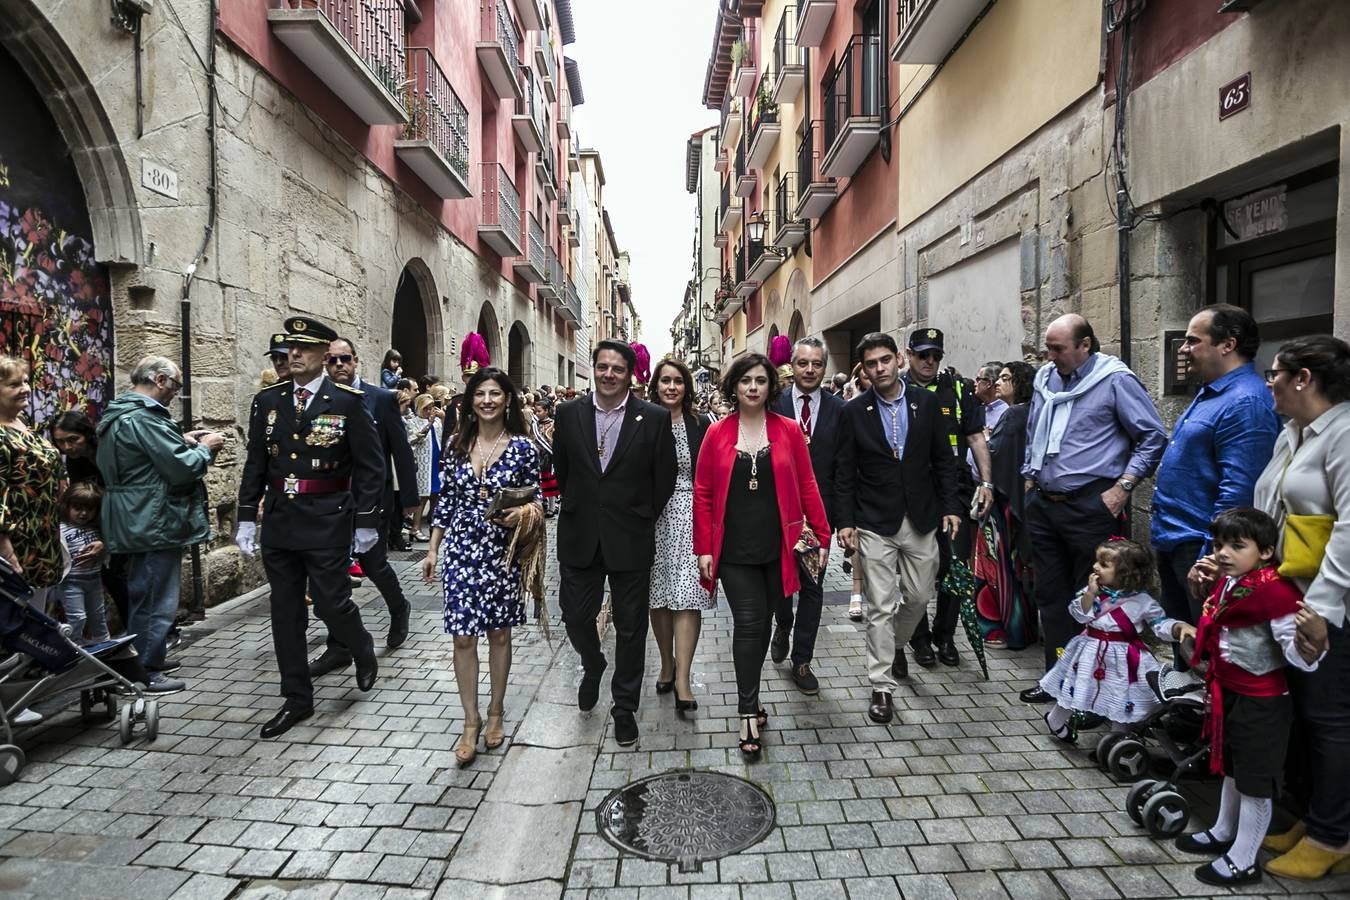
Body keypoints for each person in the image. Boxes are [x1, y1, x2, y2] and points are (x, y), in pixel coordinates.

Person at [235, 316, 384, 739]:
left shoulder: (348, 403)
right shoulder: (268, 401)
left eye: (304, 349)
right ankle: (297, 699)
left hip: (327, 517)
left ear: (323, 354)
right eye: (289, 350)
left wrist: (367, 522)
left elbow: (371, 468)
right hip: (281, 520)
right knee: (285, 614)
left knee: (332, 603)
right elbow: (256, 463)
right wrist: (247, 514)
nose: (294, 356)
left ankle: (361, 646)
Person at [1241, 336, 1350, 881]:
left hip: (1328, 610)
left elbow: (1348, 531)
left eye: (1275, 374)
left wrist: (1323, 612)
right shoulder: (1294, 433)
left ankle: (1335, 835)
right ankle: (1312, 817)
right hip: (1290, 599)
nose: (1269, 383)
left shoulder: (1346, 433)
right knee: (1306, 717)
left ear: (1303, 378)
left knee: (1331, 721)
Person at [1020, 314, 1167, 702]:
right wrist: (1028, 477)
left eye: (1058, 349)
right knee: (1050, 595)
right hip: (1045, 504)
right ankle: (1056, 677)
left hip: (1090, 505)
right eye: (1047, 349)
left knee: (1093, 596)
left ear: (1085, 345)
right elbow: (1034, 428)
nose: (1050, 357)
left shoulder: (1115, 379)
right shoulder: (1046, 380)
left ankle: (1090, 689)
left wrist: (1124, 486)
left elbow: (1152, 436)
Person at [1173, 508, 1323, 887]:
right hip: (1231, 692)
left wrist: (1316, 641)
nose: (1223, 552)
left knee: (1256, 780)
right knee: (1233, 767)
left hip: (1263, 702)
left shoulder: (1275, 594)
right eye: (1220, 544)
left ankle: (1245, 859)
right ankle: (1224, 831)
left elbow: (1298, 655)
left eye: (1237, 546)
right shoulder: (1230, 583)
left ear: (1267, 552)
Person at [694, 353, 829, 758]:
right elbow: (702, 494)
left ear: (771, 387)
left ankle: (757, 688)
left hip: (780, 549)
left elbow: (807, 484)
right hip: (734, 551)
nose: (753, 387)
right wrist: (703, 547)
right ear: (733, 387)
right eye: (745, 381)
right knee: (750, 625)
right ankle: (747, 710)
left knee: (771, 617)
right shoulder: (717, 433)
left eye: (760, 381)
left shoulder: (788, 430)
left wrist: (821, 536)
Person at [553, 339, 676, 749]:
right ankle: (593, 663)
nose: (608, 374)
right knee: (574, 616)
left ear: (631, 374)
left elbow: (665, 477)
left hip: (630, 538)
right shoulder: (568, 413)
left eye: (617, 369)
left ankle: (624, 708)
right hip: (579, 535)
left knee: (630, 628)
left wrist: (641, 514)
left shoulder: (654, 418)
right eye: (602, 367)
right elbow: (564, 470)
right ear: (594, 369)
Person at [835, 333, 961, 725]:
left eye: (885, 360)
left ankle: (893, 646)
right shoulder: (854, 412)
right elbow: (844, 474)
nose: (880, 368)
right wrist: (845, 522)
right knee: (879, 606)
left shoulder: (927, 403)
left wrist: (952, 507)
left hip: (921, 518)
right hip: (874, 520)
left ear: (898, 361)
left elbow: (944, 461)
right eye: (871, 364)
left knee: (921, 595)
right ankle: (881, 687)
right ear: (865, 369)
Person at [420, 367, 541, 766]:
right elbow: (446, 503)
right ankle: (470, 720)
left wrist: (521, 513)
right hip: (462, 551)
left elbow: (539, 502)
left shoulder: (523, 448)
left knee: (499, 635)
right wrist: (433, 550)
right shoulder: (456, 444)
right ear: (470, 400)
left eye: (495, 393)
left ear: (507, 400)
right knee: (462, 638)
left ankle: (496, 711)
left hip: (502, 550)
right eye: (480, 394)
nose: (487, 400)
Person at [1151, 305, 1279, 660]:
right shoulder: (1211, 392)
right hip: (1176, 541)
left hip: (1200, 547)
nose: (1183, 348)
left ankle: (1204, 716)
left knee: (1208, 656)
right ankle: (1185, 712)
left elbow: (1239, 490)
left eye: (1193, 340)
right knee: (1185, 645)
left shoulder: (1247, 401)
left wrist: (1213, 556)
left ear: (1228, 344)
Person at [97, 355, 223, 694]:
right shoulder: (145, 417)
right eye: (176, 385)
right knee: (155, 597)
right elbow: (179, 469)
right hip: (152, 517)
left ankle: (147, 656)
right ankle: (144, 671)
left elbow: (143, 460)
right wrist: (206, 450)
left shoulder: (122, 413)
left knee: (144, 592)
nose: (175, 393)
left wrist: (179, 439)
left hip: (134, 515)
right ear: (160, 379)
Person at [308, 338, 419, 685]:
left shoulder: (381, 399)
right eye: (332, 361)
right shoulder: (321, 400)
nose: (339, 365)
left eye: (345, 359)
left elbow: (400, 451)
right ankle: (338, 644)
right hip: (331, 501)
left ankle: (399, 607)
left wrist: (409, 500)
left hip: (372, 500)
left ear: (356, 361)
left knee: (373, 565)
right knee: (331, 573)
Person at [903, 328, 993, 669]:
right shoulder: (897, 389)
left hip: (953, 492)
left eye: (935, 355)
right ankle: (919, 638)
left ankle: (945, 635)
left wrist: (987, 484)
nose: (929, 361)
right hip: (913, 494)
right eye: (923, 354)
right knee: (918, 572)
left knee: (956, 568)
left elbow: (975, 437)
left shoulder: (957, 389)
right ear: (909, 354)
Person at [1038, 538, 1180, 744]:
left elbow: (1160, 625)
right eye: (1096, 561)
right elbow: (1080, 614)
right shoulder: (1094, 593)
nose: (1095, 567)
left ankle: (1117, 740)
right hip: (1088, 650)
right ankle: (1056, 719)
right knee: (1075, 685)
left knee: (1121, 693)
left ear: (1126, 573)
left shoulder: (1143, 601)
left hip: (1123, 656)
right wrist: (1090, 594)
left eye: (1103, 564)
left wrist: (1178, 628)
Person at [770, 337, 845, 695]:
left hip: (817, 518)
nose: (810, 370)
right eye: (803, 363)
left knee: (813, 589)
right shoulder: (774, 404)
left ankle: (802, 661)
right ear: (793, 366)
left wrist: (843, 522)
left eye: (817, 364)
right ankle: (783, 624)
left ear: (824, 367)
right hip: (777, 515)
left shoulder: (839, 410)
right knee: (781, 587)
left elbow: (845, 469)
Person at [647, 358, 714, 714]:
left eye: (678, 381)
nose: (671, 387)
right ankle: (666, 663)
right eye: (665, 381)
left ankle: (684, 677)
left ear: (686, 387)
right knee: (658, 596)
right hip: (652, 517)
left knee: (689, 597)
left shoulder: (701, 423)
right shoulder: (642, 419)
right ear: (655, 385)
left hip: (693, 516)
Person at [974, 361, 1038, 649]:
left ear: (1021, 383)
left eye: (1006, 378)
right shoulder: (1033, 413)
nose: (999, 382)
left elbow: (992, 454)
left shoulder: (1013, 415)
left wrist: (985, 440)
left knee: (997, 566)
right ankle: (1024, 630)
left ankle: (1002, 630)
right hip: (1022, 499)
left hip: (1004, 501)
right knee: (1018, 566)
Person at [0, 356, 65, 610]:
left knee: (34, 624)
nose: (25, 388)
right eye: (14, 384)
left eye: (26, 381)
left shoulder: (20, 423)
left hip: (40, 541)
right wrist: (5, 550)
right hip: (15, 546)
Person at [54, 481, 110, 643]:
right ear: (68, 506)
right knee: (77, 618)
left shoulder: (97, 527)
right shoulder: (62, 528)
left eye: (89, 509)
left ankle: (105, 643)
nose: (84, 514)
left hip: (94, 579)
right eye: (78, 508)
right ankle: (74, 646)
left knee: (98, 615)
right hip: (71, 581)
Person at [409, 394, 444, 541]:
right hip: (423, 463)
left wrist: (443, 417)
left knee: (436, 496)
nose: (429, 411)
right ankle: (415, 529)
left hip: (436, 462)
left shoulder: (437, 421)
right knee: (422, 497)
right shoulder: (413, 422)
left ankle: (433, 528)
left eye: (431, 408)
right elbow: (413, 439)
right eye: (426, 408)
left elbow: (444, 434)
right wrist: (428, 424)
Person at [969, 361, 1006, 480]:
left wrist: (987, 438)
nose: (975, 383)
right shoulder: (978, 410)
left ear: (989, 383)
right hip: (972, 482)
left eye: (978, 379)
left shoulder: (1006, 412)